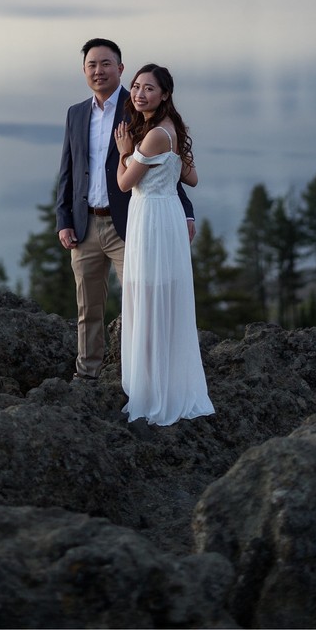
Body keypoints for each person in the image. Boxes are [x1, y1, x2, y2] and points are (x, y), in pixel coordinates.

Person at [56, 38, 195, 382]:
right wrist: (64, 220)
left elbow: (163, 168)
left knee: (140, 304)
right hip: (85, 224)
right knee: (88, 308)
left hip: (130, 225)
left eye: (106, 64)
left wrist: (186, 212)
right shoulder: (76, 113)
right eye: (92, 65)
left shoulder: (137, 108)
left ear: (120, 68)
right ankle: (87, 374)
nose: (98, 71)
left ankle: (141, 377)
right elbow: (68, 171)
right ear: (84, 70)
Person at [114, 63, 215, 426]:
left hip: (152, 219)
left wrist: (124, 152)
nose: (139, 94)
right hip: (164, 214)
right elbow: (192, 177)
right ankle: (162, 381)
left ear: (165, 94)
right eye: (136, 87)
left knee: (148, 296)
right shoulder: (170, 128)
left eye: (149, 88)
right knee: (158, 296)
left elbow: (124, 184)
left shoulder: (156, 134)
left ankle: (154, 390)